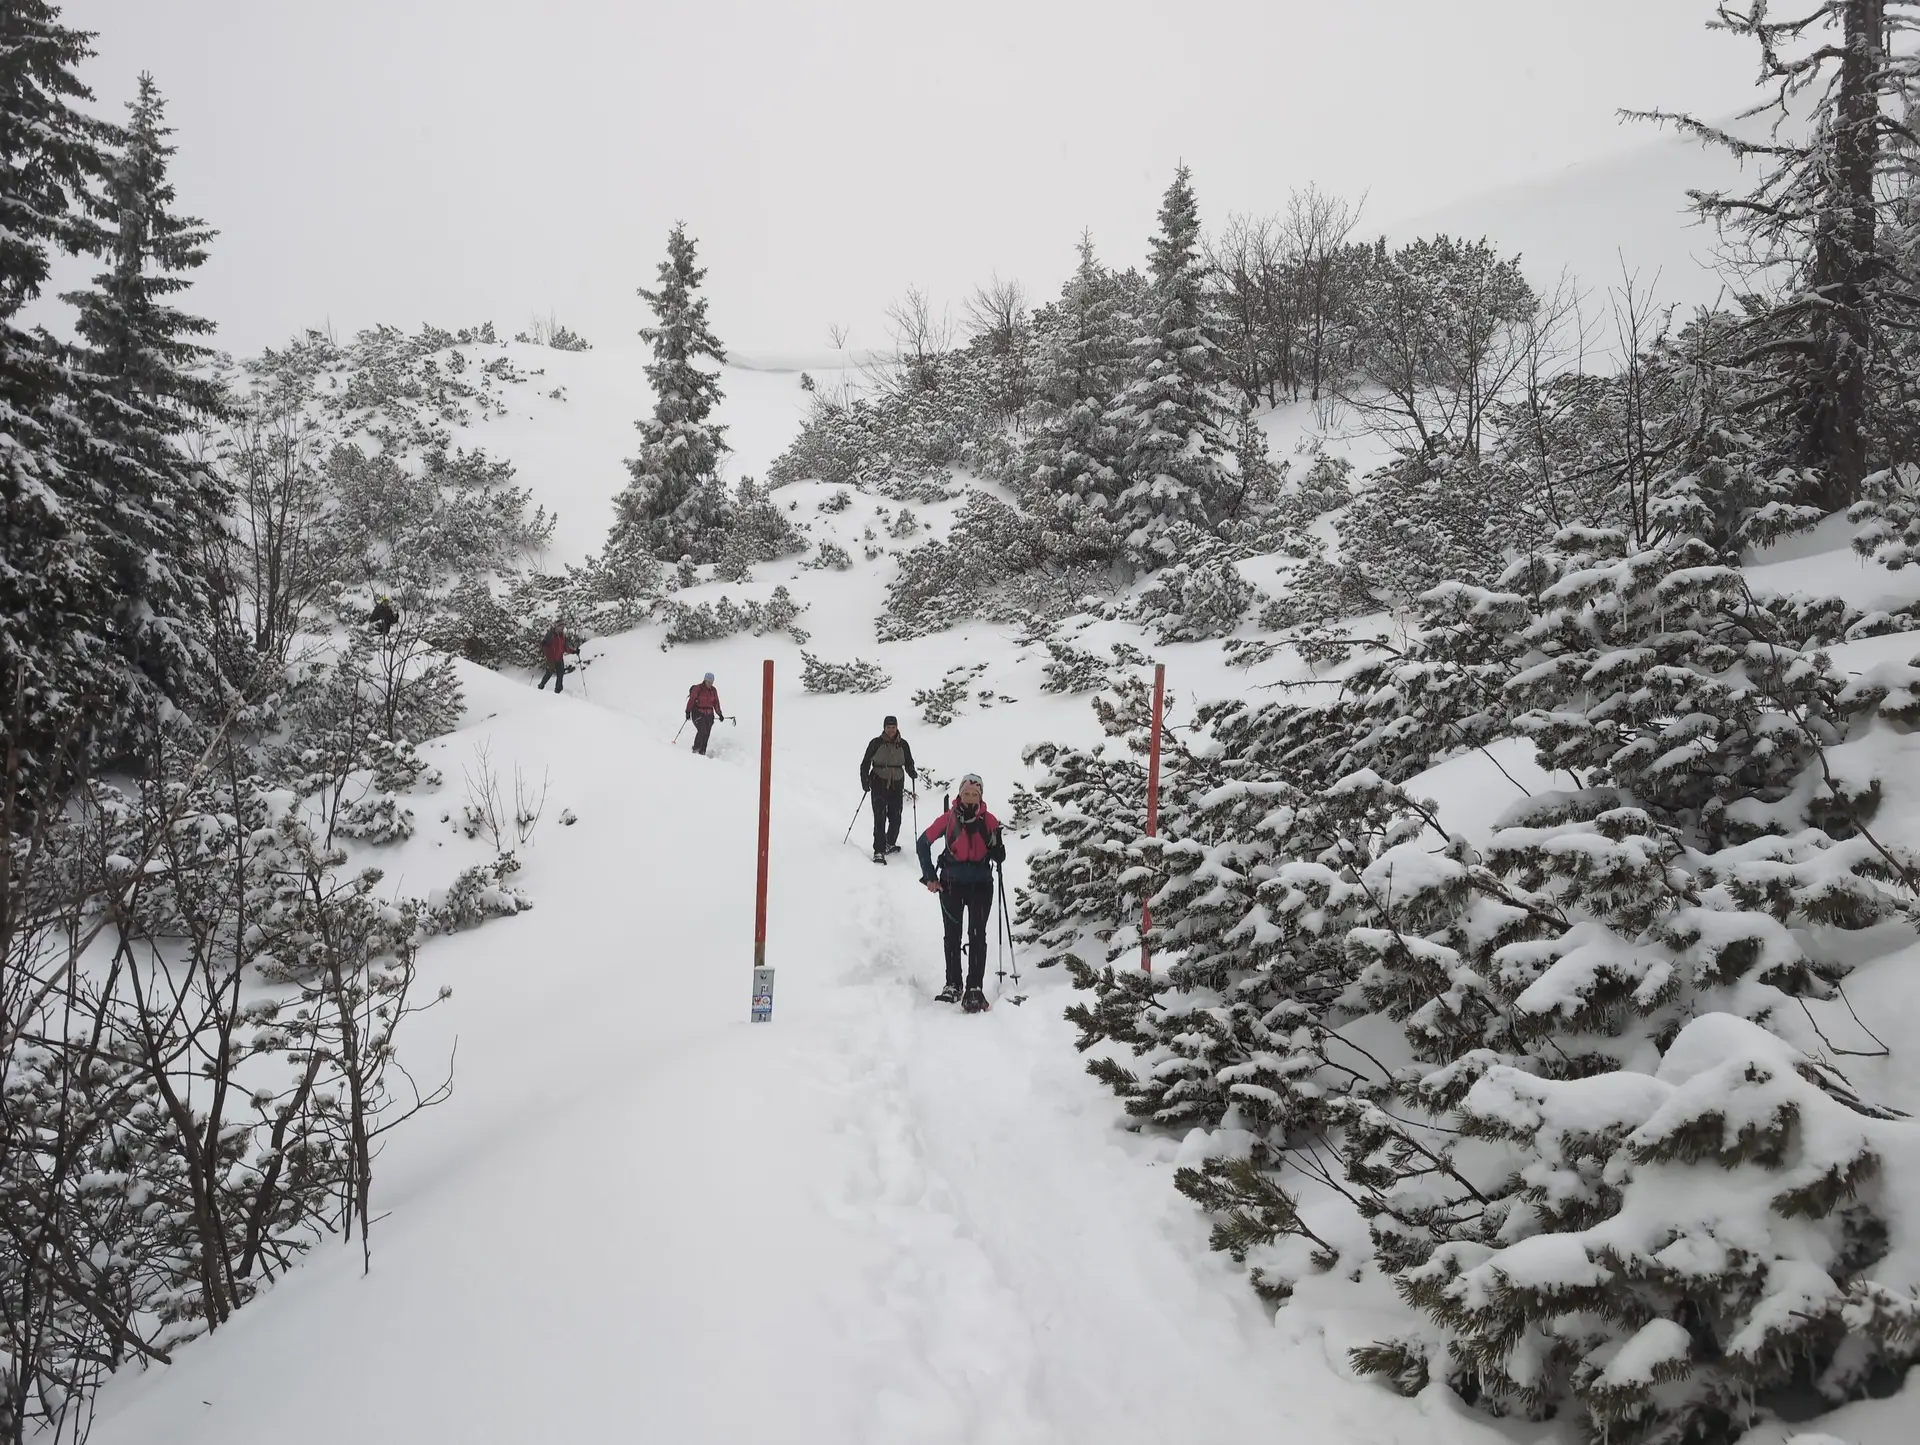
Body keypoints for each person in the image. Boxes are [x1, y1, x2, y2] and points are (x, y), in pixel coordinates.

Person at [915, 772, 1005, 1012]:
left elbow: (998, 853)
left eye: (975, 793)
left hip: (981, 886)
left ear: (980, 796)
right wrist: (930, 877)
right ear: (960, 794)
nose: (970, 797)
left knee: (977, 935)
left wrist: (999, 852)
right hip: (951, 885)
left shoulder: (990, 821)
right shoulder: (948, 819)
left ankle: (974, 987)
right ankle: (953, 984)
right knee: (952, 936)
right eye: (967, 793)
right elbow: (922, 843)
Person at [858, 714, 918, 863]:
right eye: (889, 727)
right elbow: (865, 763)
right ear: (884, 728)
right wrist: (864, 780)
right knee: (880, 816)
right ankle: (878, 850)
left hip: (897, 783)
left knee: (896, 816)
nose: (891, 730)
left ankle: (889, 842)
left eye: (893, 727)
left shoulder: (903, 744)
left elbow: (909, 762)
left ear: (897, 727)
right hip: (878, 781)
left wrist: (911, 771)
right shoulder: (876, 743)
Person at [686, 672, 724, 754]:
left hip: (709, 715)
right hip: (698, 713)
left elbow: (716, 703)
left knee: (707, 733)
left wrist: (719, 714)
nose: (710, 684)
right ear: (705, 680)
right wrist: (688, 711)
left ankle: (702, 751)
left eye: (712, 682)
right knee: (702, 730)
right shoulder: (698, 688)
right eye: (708, 682)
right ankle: (696, 748)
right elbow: (691, 700)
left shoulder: (713, 690)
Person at [537, 620, 580, 692]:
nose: (562, 628)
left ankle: (557, 691)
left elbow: (566, 648)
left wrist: (574, 651)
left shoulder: (563, 636)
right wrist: (547, 653)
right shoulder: (550, 634)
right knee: (549, 673)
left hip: (559, 658)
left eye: (563, 626)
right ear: (556, 626)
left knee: (560, 674)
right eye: (561, 626)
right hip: (551, 658)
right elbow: (543, 644)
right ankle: (541, 686)